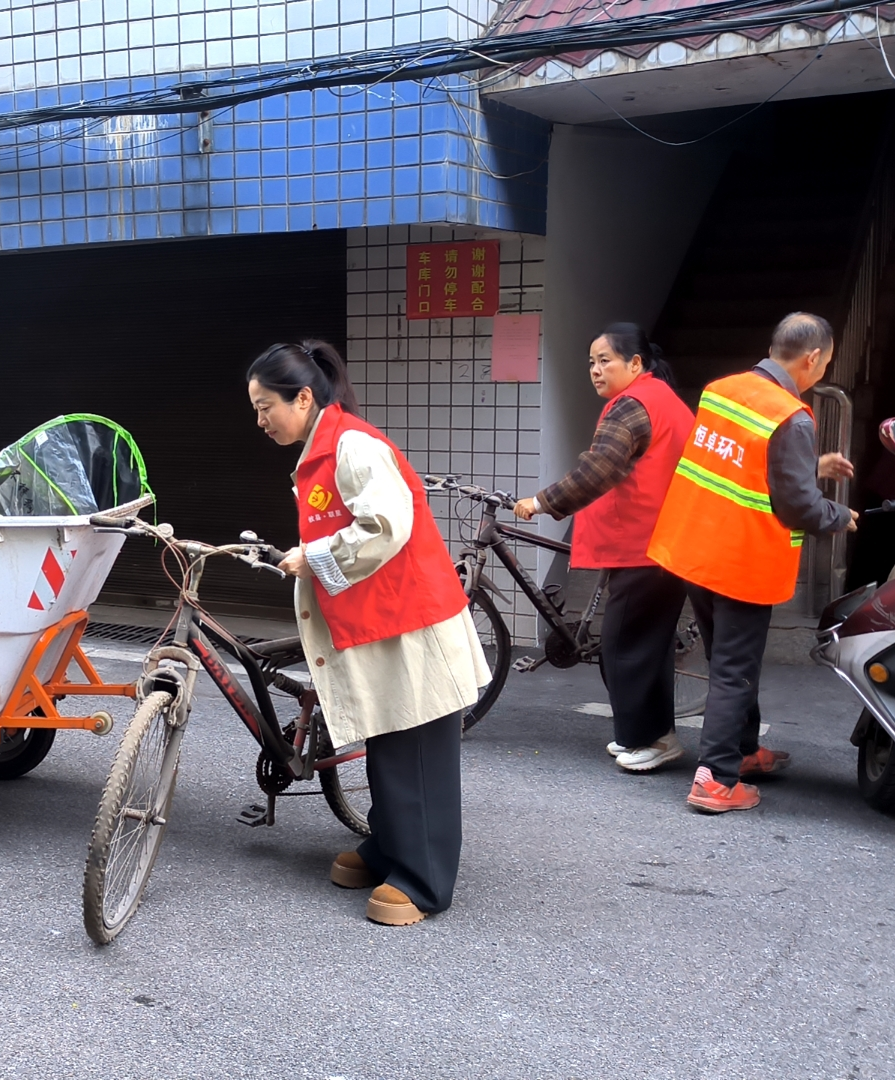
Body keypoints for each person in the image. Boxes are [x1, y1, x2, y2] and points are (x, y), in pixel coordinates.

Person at [247, 339, 494, 926]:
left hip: (412, 622)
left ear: (303, 398)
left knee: (418, 753)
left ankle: (425, 881)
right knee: (390, 746)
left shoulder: (351, 445)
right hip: (388, 622)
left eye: (265, 407)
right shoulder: (325, 446)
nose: (259, 420)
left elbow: (386, 526)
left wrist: (312, 557)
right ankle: (391, 850)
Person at [647, 312, 859, 813]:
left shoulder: (721, 390)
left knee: (727, 659)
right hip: (742, 561)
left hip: (697, 548)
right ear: (813, 359)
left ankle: (742, 753)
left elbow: (746, 460)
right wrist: (839, 513)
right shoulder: (793, 415)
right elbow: (798, 507)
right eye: (825, 363)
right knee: (734, 670)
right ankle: (716, 779)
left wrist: (811, 465)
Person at [512, 324, 696, 773]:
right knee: (643, 646)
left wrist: (540, 502)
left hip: (645, 546)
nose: (595, 370)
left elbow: (598, 470)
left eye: (605, 360)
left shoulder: (633, 405)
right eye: (591, 362)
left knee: (624, 648)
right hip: (663, 543)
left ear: (635, 363)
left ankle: (647, 739)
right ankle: (657, 735)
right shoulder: (663, 399)